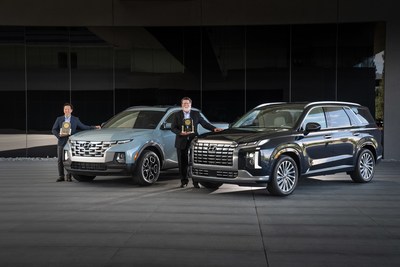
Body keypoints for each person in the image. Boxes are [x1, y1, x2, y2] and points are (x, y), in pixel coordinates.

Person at [171, 97, 223, 188]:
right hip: (181, 141)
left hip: (193, 141)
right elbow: (173, 128)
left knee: (194, 162)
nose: (185, 105)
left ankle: (196, 182)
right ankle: (184, 181)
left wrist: (214, 128)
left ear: (190, 105)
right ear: (181, 105)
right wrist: (180, 132)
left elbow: (204, 123)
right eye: (184, 104)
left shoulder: (196, 114)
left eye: (187, 103)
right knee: (182, 163)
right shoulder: (176, 114)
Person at [51, 103, 100, 182]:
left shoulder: (75, 119)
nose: (66, 110)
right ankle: (61, 176)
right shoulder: (59, 119)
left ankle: (69, 176)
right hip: (61, 142)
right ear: (63, 110)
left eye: (68, 109)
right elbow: (53, 129)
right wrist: (59, 135)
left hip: (71, 142)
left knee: (69, 159)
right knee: (60, 160)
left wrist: (94, 127)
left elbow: (83, 127)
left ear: (71, 110)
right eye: (65, 109)